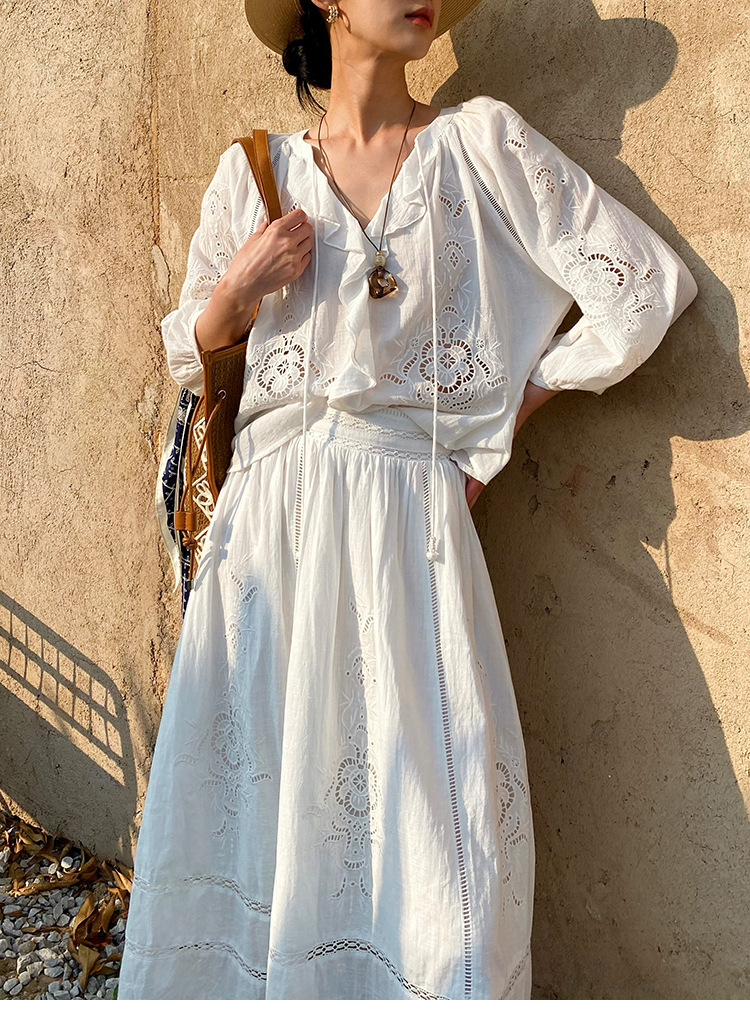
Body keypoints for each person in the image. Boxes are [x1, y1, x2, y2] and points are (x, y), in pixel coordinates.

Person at [118, 0, 698, 1001]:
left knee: (432, 821)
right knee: (259, 810)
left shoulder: (480, 147)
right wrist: (240, 289)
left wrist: (502, 420)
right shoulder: (253, 172)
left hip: (407, 523)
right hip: (267, 533)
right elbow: (192, 350)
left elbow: (644, 287)